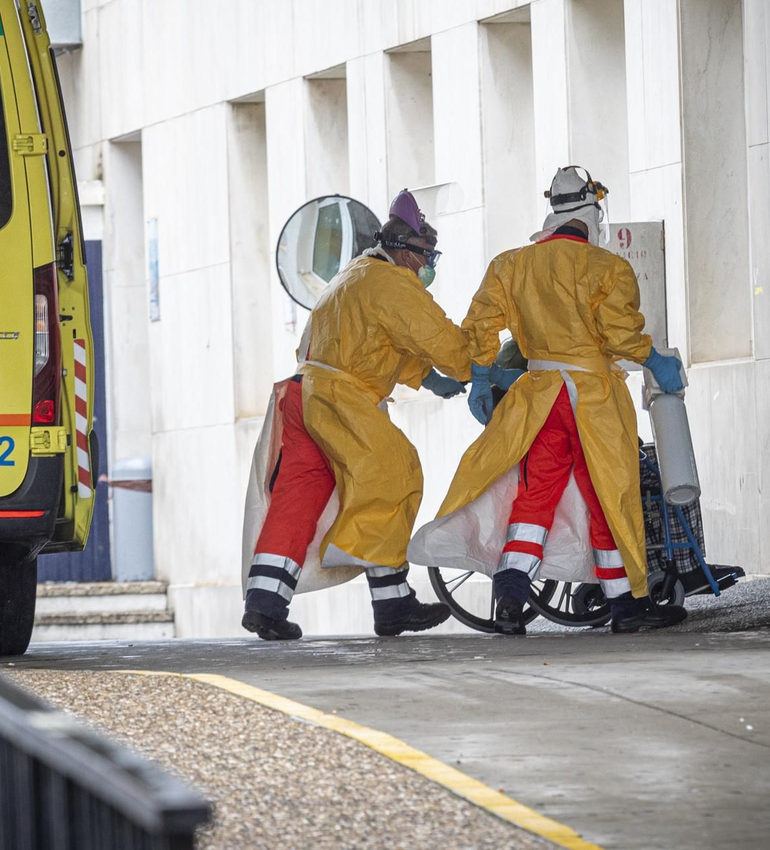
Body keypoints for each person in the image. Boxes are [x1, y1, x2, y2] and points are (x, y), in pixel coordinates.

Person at [409, 167, 688, 634]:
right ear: (592, 213)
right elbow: (621, 335)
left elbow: (479, 325)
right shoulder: (607, 269)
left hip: (539, 400)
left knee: (534, 497)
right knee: (608, 496)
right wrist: (655, 359)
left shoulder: (510, 264)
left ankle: (511, 595)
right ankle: (625, 606)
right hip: (593, 403)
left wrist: (480, 377)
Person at [241, 191, 472, 641]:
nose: (428, 267)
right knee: (393, 475)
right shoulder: (393, 284)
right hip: (340, 400)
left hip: (303, 396)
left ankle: (265, 604)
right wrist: (476, 367)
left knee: (298, 500)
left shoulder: (353, 275)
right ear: (406, 249)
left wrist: (426, 378)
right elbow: (443, 341)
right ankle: (393, 603)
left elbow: (371, 347)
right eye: (427, 257)